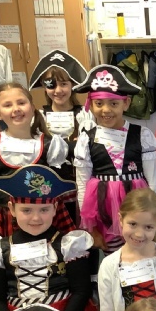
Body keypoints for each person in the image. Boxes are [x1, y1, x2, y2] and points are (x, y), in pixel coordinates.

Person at [0, 165, 103, 311]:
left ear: (55, 209)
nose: (36, 218)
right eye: (27, 210)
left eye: (44, 210)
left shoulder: (68, 244)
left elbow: (81, 291)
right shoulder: (0, 248)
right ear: (12, 209)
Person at [73, 64, 156, 255]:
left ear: (126, 103)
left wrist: (154, 217)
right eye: (99, 104)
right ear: (90, 104)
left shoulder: (142, 135)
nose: (106, 110)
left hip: (138, 207)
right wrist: (91, 227)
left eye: (114, 103)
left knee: (141, 252)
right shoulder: (87, 139)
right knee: (114, 257)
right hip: (104, 209)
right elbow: (82, 185)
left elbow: (153, 181)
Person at [0, 82, 73, 237]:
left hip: (47, 215)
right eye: (8, 105)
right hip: (10, 215)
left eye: (21, 103)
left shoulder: (51, 145)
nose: (16, 109)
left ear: (32, 107)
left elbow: (62, 182)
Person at [29, 49, 95, 225]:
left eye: (64, 84)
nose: (58, 90)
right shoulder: (38, 117)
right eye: (51, 84)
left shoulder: (85, 115)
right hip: (48, 189)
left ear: (72, 85)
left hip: (80, 185)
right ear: (44, 86)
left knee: (82, 230)